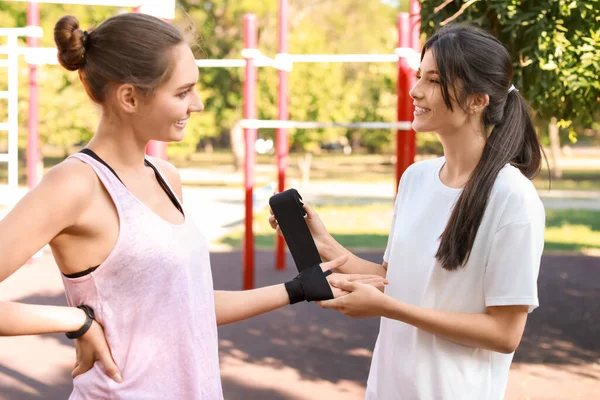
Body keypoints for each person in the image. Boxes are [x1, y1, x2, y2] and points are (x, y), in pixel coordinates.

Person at [0, 13, 387, 400]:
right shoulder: (75, 184)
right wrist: (75, 321)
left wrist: (300, 288)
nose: (198, 104)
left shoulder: (166, 176)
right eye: (183, 92)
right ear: (130, 97)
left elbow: (186, 306)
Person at [270, 24, 546, 399]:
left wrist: (391, 308)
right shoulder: (415, 179)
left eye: (433, 80)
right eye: (420, 75)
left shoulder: (512, 197)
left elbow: (505, 334)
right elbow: (396, 278)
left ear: (477, 100)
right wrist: (326, 245)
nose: (415, 90)